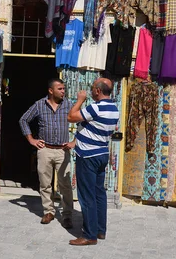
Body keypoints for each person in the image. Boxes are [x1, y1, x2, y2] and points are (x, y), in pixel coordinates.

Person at [67, 77, 119, 246]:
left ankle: (89, 235)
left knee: (86, 196)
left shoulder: (96, 108)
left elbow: (71, 116)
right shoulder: (113, 108)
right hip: (101, 153)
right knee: (99, 194)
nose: (90, 90)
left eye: (92, 88)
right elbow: (90, 128)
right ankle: (100, 230)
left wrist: (79, 100)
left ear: (98, 91)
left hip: (88, 156)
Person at [19, 78, 74, 229]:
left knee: (65, 184)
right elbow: (23, 120)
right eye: (60, 89)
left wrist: (74, 142)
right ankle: (48, 211)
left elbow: (83, 122)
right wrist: (31, 139)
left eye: (64, 89)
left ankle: (67, 215)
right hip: (45, 150)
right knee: (44, 184)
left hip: (63, 151)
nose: (63, 91)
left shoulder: (69, 105)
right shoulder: (39, 105)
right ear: (51, 90)